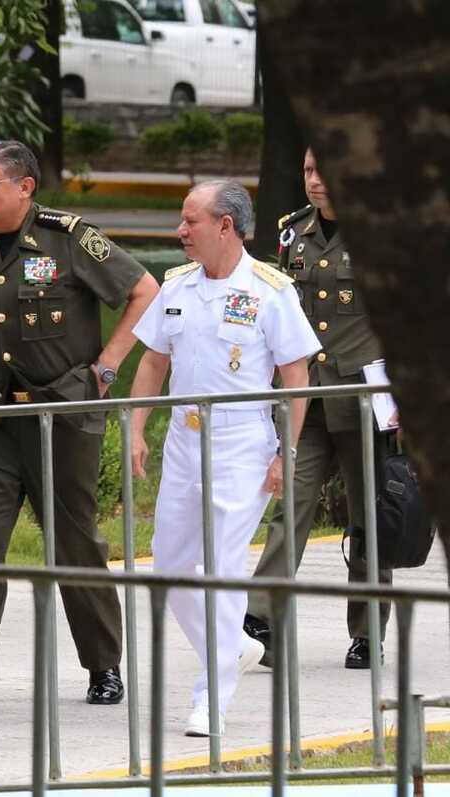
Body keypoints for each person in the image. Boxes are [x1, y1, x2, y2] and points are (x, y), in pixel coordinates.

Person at [0, 140, 160, 715]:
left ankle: (103, 666)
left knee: (74, 545)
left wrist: (106, 368)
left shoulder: (68, 238)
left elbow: (144, 291)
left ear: (25, 187)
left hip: (60, 415)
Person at [129, 180, 321, 736]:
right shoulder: (178, 285)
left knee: (221, 571)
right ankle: (234, 645)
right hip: (184, 442)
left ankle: (211, 698)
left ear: (225, 227)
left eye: (190, 221)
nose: (180, 231)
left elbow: (295, 376)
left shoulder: (270, 290)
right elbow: (152, 362)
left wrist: (287, 451)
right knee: (167, 568)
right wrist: (137, 428)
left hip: (242, 444)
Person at [243, 148, 390, 670]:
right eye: (307, 169)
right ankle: (261, 617)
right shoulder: (291, 232)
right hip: (307, 398)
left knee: (369, 518)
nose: (315, 180)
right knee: (291, 507)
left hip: (363, 397)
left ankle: (367, 631)